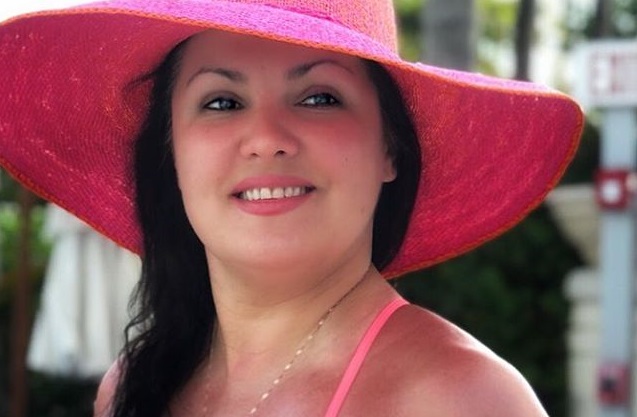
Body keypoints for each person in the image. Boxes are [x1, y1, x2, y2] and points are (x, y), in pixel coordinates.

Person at [0, 1, 583, 416]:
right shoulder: (128, 388)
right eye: (222, 102)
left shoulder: (459, 400)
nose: (266, 138)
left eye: (319, 97)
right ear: (169, 154)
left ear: (390, 148)